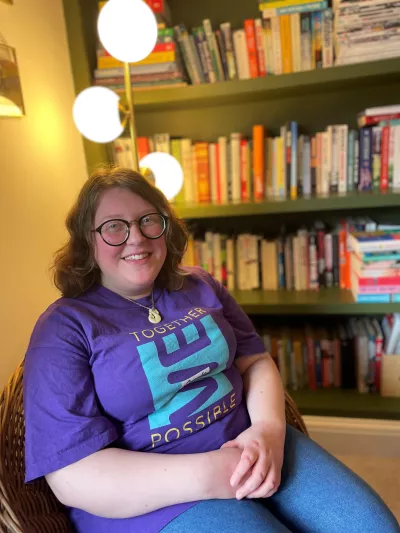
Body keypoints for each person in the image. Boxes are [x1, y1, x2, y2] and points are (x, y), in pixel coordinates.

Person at [24, 167, 399, 533]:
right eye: (114, 227)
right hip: (157, 496)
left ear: (165, 227)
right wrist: (210, 473)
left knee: (374, 526)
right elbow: (71, 477)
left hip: (252, 444)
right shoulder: (64, 327)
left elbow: (254, 360)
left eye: (148, 220)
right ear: (87, 242)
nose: (135, 238)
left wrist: (269, 431)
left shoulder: (199, 284)